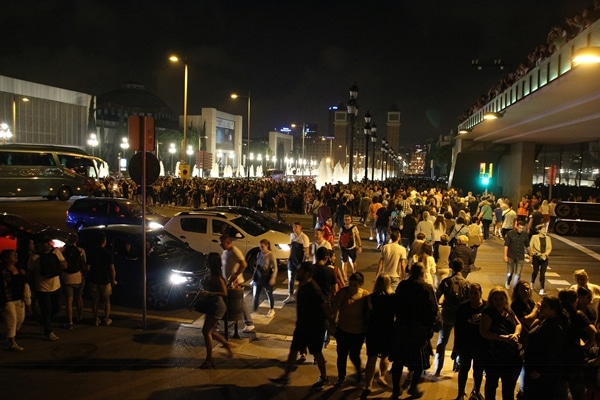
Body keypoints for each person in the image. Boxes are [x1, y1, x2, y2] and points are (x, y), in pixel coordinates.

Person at [269, 262, 336, 390]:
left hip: (314, 327)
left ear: (307, 273)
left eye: (299, 271)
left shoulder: (313, 288)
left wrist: (331, 324)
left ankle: (324, 377)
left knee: (317, 353)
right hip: (302, 326)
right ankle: (286, 376)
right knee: (294, 350)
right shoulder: (303, 284)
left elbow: (326, 306)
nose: (297, 272)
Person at [389, 262, 438, 399]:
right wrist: (430, 326)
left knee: (398, 361)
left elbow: (395, 304)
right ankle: (413, 387)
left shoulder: (402, 285)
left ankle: (395, 389)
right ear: (422, 273)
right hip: (419, 329)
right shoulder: (426, 287)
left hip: (402, 327)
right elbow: (432, 309)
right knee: (419, 362)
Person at [479, 287, 523, 400]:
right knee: (491, 385)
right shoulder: (488, 312)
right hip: (494, 355)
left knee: (508, 388)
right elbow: (484, 332)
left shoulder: (508, 310)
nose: (498, 301)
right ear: (491, 300)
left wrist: (516, 334)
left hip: (510, 356)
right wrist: (501, 338)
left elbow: (518, 324)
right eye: (495, 299)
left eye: (501, 298)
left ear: (505, 299)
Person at [522, 296, 568, 399]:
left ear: (553, 310)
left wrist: (540, 370)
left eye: (545, 306)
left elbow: (553, 352)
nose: (541, 308)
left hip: (540, 374)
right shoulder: (545, 320)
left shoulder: (555, 328)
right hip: (534, 369)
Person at [192, 253, 232, 369]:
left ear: (211, 262)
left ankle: (209, 359)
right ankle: (226, 344)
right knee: (210, 331)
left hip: (217, 306)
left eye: (207, 260)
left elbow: (224, 293)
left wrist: (209, 293)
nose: (205, 261)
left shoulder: (217, 278)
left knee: (206, 331)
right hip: (210, 305)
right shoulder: (208, 274)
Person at [332, 271, 370, 387]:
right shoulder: (343, 292)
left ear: (360, 284)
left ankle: (358, 373)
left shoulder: (365, 295)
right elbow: (334, 310)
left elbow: (369, 313)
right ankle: (341, 376)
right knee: (341, 355)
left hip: (358, 332)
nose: (352, 288)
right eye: (350, 284)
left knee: (354, 355)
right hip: (343, 330)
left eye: (355, 285)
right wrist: (332, 326)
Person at [558, 289, 597, 400]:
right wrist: (586, 346)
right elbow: (593, 331)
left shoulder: (557, 314)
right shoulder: (578, 315)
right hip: (575, 355)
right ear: (574, 301)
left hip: (559, 355)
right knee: (577, 388)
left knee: (561, 388)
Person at [434, 258, 470, 377]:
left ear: (451, 267)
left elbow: (436, 297)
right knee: (460, 341)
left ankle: (438, 367)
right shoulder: (466, 283)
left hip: (447, 314)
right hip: (461, 317)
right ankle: (457, 365)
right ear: (462, 268)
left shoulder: (446, 282)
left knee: (442, 341)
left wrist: (438, 310)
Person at [28, 236, 67, 340]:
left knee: (57, 308)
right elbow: (31, 272)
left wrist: (58, 263)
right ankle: (48, 331)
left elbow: (65, 265)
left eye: (48, 242)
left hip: (56, 285)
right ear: (40, 245)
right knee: (46, 310)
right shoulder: (34, 257)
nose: (47, 245)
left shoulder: (56, 252)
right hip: (42, 287)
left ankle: (43, 321)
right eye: (44, 243)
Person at [363, 274, 395, 397]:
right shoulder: (392, 298)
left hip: (373, 330)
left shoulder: (371, 297)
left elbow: (366, 314)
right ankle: (382, 376)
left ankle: (368, 385)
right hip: (387, 330)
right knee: (385, 356)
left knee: (371, 359)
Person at [454, 283, 487, 400]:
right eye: (471, 293)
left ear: (480, 293)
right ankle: (461, 393)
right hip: (466, 345)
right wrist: (456, 347)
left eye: (475, 293)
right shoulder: (463, 307)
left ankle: (476, 391)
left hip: (481, 345)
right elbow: (458, 327)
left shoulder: (486, 307)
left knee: (478, 370)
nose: (473, 295)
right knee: (464, 369)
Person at [219, 234, 254, 333]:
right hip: (228, 281)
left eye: (222, 243)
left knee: (240, 302)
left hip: (235, 282)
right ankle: (231, 321)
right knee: (231, 301)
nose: (220, 245)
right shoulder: (225, 251)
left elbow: (244, 264)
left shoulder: (235, 251)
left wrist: (236, 275)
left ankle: (249, 323)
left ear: (228, 243)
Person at [87, 232, 117, 327]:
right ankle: (106, 319)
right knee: (106, 300)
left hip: (94, 279)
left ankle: (95, 319)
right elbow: (112, 269)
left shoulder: (92, 253)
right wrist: (113, 280)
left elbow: (87, 267)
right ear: (104, 242)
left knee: (95, 301)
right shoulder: (108, 253)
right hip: (105, 280)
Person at [0, 249, 27, 351]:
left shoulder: (19, 269)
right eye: (13, 255)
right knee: (11, 320)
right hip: (8, 299)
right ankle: (12, 342)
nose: (15, 256)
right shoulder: (3, 271)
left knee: (20, 319)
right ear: (6, 259)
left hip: (19, 298)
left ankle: (9, 335)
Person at [60, 232, 87, 328]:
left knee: (69, 300)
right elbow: (84, 263)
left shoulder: (64, 250)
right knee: (79, 297)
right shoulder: (80, 251)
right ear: (77, 240)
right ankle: (79, 316)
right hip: (78, 276)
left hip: (67, 276)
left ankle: (70, 321)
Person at [283, 222, 310, 304]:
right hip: (292, 260)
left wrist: (303, 263)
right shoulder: (292, 236)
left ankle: (303, 296)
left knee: (301, 280)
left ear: (300, 228)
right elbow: (291, 248)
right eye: (293, 227)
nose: (294, 229)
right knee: (291, 279)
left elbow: (306, 251)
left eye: (296, 227)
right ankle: (290, 296)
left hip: (299, 261)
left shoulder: (304, 237)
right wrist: (289, 258)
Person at [252, 239, 277, 318]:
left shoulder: (271, 255)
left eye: (262, 246)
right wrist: (253, 278)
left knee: (269, 293)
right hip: (259, 276)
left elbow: (275, 267)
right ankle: (255, 310)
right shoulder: (259, 254)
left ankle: (272, 309)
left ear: (267, 246)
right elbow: (256, 267)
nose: (261, 248)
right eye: (260, 247)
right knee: (256, 294)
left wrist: (273, 277)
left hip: (267, 276)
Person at [503, 220, 531, 290]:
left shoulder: (525, 235)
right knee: (510, 272)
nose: (521, 229)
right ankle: (508, 281)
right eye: (520, 228)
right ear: (516, 226)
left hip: (520, 256)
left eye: (522, 228)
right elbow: (506, 245)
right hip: (511, 256)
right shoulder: (510, 233)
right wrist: (505, 255)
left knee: (518, 274)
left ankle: (515, 287)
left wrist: (531, 254)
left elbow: (527, 245)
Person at [338, 214, 362, 284]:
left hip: (352, 247)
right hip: (344, 248)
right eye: (345, 220)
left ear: (351, 220)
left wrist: (360, 246)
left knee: (353, 261)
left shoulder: (354, 228)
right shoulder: (342, 228)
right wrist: (339, 245)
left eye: (348, 220)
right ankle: (345, 276)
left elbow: (357, 237)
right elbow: (340, 237)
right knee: (344, 262)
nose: (347, 221)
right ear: (344, 220)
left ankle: (354, 272)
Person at [529, 224, 552, 295]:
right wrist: (533, 254)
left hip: (544, 257)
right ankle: (532, 282)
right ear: (539, 230)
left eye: (545, 229)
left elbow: (550, 248)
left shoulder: (548, 238)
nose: (545, 231)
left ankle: (542, 289)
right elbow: (530, 246)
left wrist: (545, 254)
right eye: (543, 229)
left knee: (542, 273)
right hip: (536, 257)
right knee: (535, 271)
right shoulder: (534, 237)